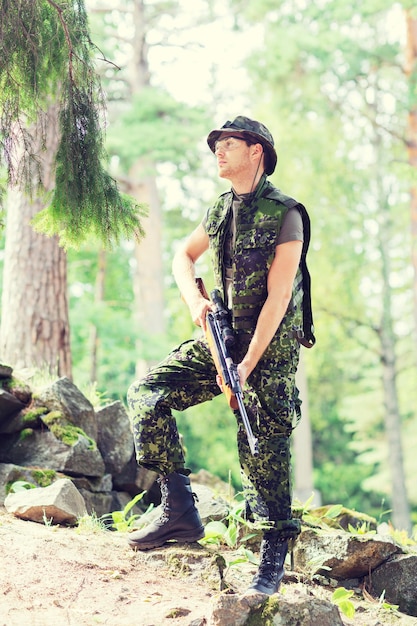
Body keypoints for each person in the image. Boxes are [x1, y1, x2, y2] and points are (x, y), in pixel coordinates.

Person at [126, 115, 315, 595]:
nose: (218, 151)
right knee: (148, 393)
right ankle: (179, 511)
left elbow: (278, 299)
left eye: (229, 144)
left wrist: (247, 368)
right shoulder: (218, 210)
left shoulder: (286, 214)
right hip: (222, 338)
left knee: (262, 446)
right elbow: (181, 256)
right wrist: (196, 302)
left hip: (268, 351)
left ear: (257, 153)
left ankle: (273, 553)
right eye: (217, 146)